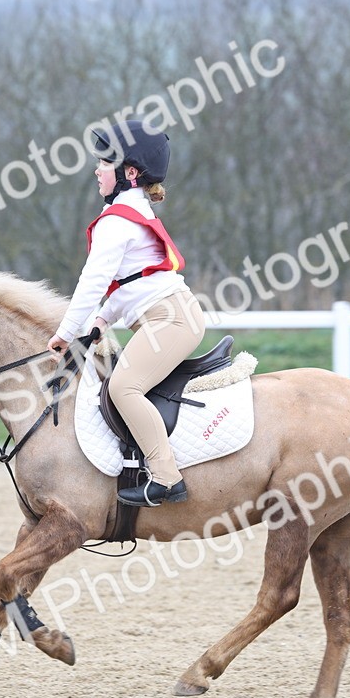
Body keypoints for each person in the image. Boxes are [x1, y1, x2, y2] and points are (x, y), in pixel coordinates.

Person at [46, 119, 206, 507]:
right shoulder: (128, 213)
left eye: (105, 163)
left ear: (129, 173)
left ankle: (167, 478)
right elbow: (133, 283)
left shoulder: (118, 220)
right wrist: (101, 321)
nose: (97, 170)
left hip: (169, 319)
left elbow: (93, 282)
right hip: (169, 315)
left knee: (123, 388)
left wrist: (66, 332)